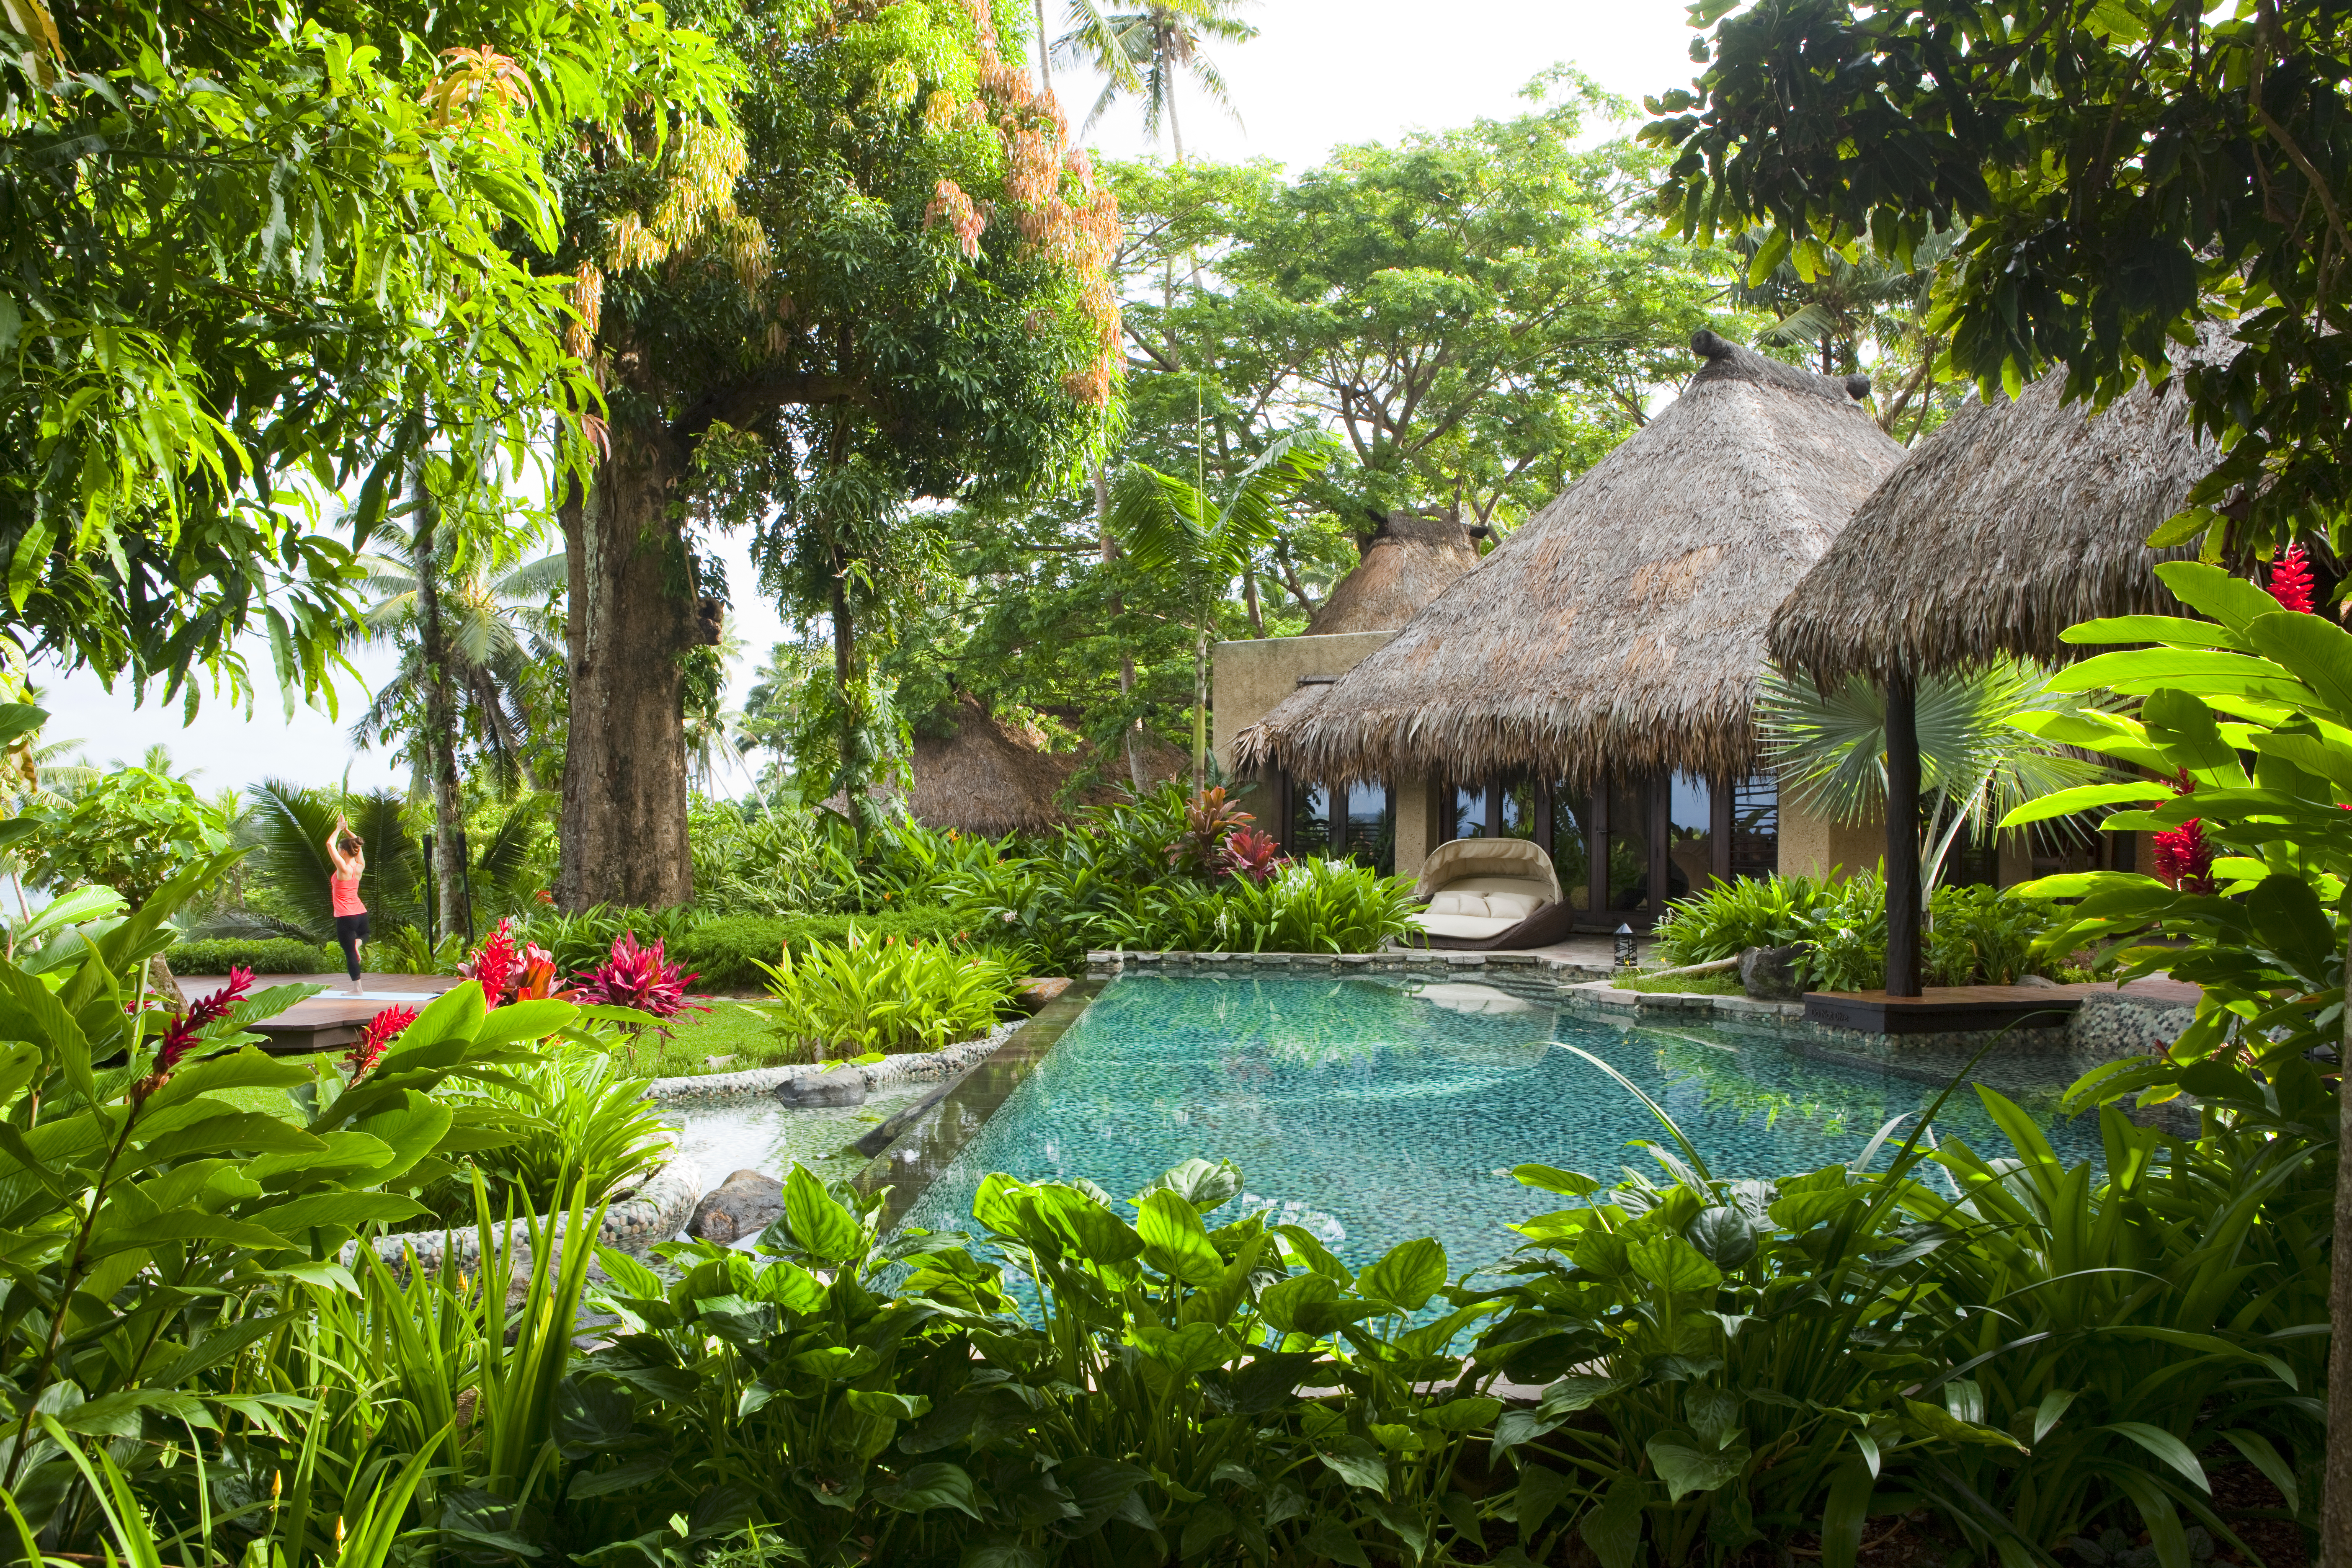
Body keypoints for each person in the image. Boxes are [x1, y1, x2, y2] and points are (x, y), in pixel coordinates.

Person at [326, 813, 369, 996]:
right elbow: (357, 847)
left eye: (339, 849)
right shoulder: (360, 866)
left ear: (343, 852)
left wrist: (338, 828)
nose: (337, 850)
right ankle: (359, 944)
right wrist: (347, 830)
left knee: (349, 952)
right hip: (361, 913)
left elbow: (329, 844)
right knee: (365, 935)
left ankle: (357, 989)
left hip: (346, 916)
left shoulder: (343, 869)